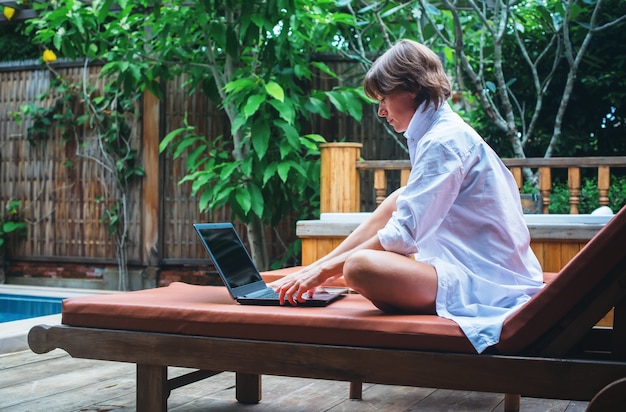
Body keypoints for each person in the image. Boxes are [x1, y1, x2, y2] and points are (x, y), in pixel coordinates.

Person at [269, 39, 544, 353]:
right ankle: (313, 269)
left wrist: (324, 272)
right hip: (475, 273)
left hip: (486, 285)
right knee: (399, 197)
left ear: (412, 89)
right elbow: (403, 215)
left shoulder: (444, 140)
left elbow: (402, 237)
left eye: (384, 98)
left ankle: (317, 271)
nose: (381, 111)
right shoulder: (440, 132)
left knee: (359, 267)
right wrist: (318, 270)